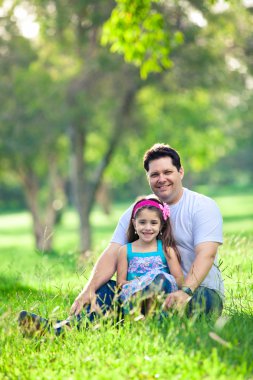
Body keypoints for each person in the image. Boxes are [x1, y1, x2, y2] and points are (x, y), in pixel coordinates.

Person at [71, 143, 224, 318]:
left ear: (180, 172)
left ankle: (141, 316)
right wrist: (88, 290)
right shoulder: (141, 210)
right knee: (103, 290)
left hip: (197, 290)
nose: (161, 179)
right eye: (155, 174)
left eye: (167, 172)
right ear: (148, 178)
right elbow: (112, 252)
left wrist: (185, 292)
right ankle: (59, 330)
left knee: (196, 301)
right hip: (141, 290)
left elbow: (207, 254)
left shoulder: (202, 206)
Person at [117, 197, 183, 314]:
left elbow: (178, 279)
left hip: (160, 299)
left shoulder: (166, 249)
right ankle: (139, 309)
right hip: (134, 297)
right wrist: (142, 283)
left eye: (153, 223)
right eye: (142, 222)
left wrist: (155, 280)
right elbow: (120, 283)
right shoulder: (125, 250)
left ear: (161, 225)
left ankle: (151, 310)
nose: (148, 228)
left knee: (161, 278)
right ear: (134, 223)